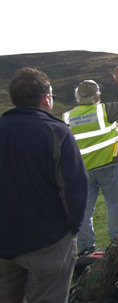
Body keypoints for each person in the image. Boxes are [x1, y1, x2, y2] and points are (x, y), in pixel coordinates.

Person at [0, 67, 88, 302]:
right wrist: (72, 228)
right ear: (46, 98)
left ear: (12, 99)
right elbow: (74, 190)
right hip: (49, 241)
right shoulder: (57, 132)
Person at [62, 66, 118, 254]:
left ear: (78, 97)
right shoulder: (104, 111)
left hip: (83, 171)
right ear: (96, 97)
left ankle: (85, 249)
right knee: (115, 205)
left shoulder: (67, 117)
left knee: (85, 211)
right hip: (110, 165)